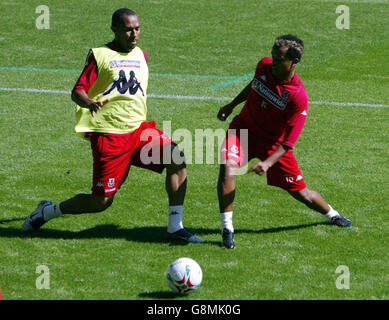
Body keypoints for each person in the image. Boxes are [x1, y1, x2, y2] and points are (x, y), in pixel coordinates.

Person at [22, 8, 203, 243]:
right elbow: (77, 90)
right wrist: (89, 102)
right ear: (115, 29)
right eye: (128, 29)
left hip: (139, 131)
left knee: (176, 158)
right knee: (101, 202)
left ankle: (175, 227)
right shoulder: (100, 55)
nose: (134, 34)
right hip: (110, 136)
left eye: (137, 29)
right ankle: (46, 212)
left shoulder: (141, 55)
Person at [216, 34, 352, 249]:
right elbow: (254, 83)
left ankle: (332, 214)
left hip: (274, 145)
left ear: (294, 62)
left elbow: (289, 142)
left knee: (301, 193)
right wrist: (232, 105)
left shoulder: (298, 96)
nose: (273, 63)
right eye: (273, 56)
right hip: (243, 130)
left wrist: (268, 163)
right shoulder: (264, 66)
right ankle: (227, 229)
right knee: (228, 167)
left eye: (279, 60)